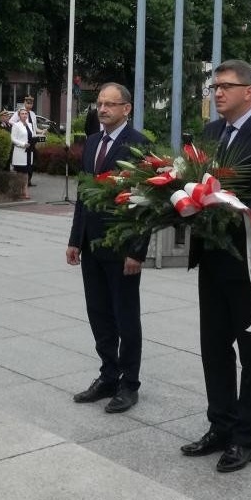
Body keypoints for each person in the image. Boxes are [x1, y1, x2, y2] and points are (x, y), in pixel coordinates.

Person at [179, 59, 251, 473]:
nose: (218, 93)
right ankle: (220, 425)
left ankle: (245, 437)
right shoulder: (211, 133)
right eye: (215, 87)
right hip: (212, 257)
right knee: (213, 347)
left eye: (226, 86)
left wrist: (229, 208)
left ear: (249, 92)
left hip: (249, 261)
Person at [66, 83, 150, 413]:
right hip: (92, 245)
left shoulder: (138, 145)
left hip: (121, 248)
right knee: (99, 314)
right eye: (99, 103)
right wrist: (76, 239)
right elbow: (83, 195)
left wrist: (137, 251)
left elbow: (145, 202)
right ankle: (108, 376)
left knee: (125, 317)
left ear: (126, 109)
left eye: (110, 104)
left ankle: (129, 384)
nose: (102, 109)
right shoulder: (91, 142)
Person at [10, 95, 39, 186]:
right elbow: (11, 121)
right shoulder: (19, 112)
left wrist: (41, 131)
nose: (29, 105)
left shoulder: (33, 114)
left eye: (31, 103)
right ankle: (21, 183)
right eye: (28, 103)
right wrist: (20, 126)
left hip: (31, 140)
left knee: (31, 162)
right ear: (24, 103)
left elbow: (34, 127)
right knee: (21, 164)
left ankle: (28, 180)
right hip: (22, 139)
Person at [9, 107, 36, 200]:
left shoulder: (30, 125)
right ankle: (19, 191)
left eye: (25, 114)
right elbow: (13, 139)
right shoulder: (16, 125)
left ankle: (25, 190)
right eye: (22, 114)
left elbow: (32, 136)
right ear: (19, 116)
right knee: (20, 173)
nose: (24, 115)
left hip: (29, 152)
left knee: (27, 172)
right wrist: (23, 144)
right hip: (20, 152)